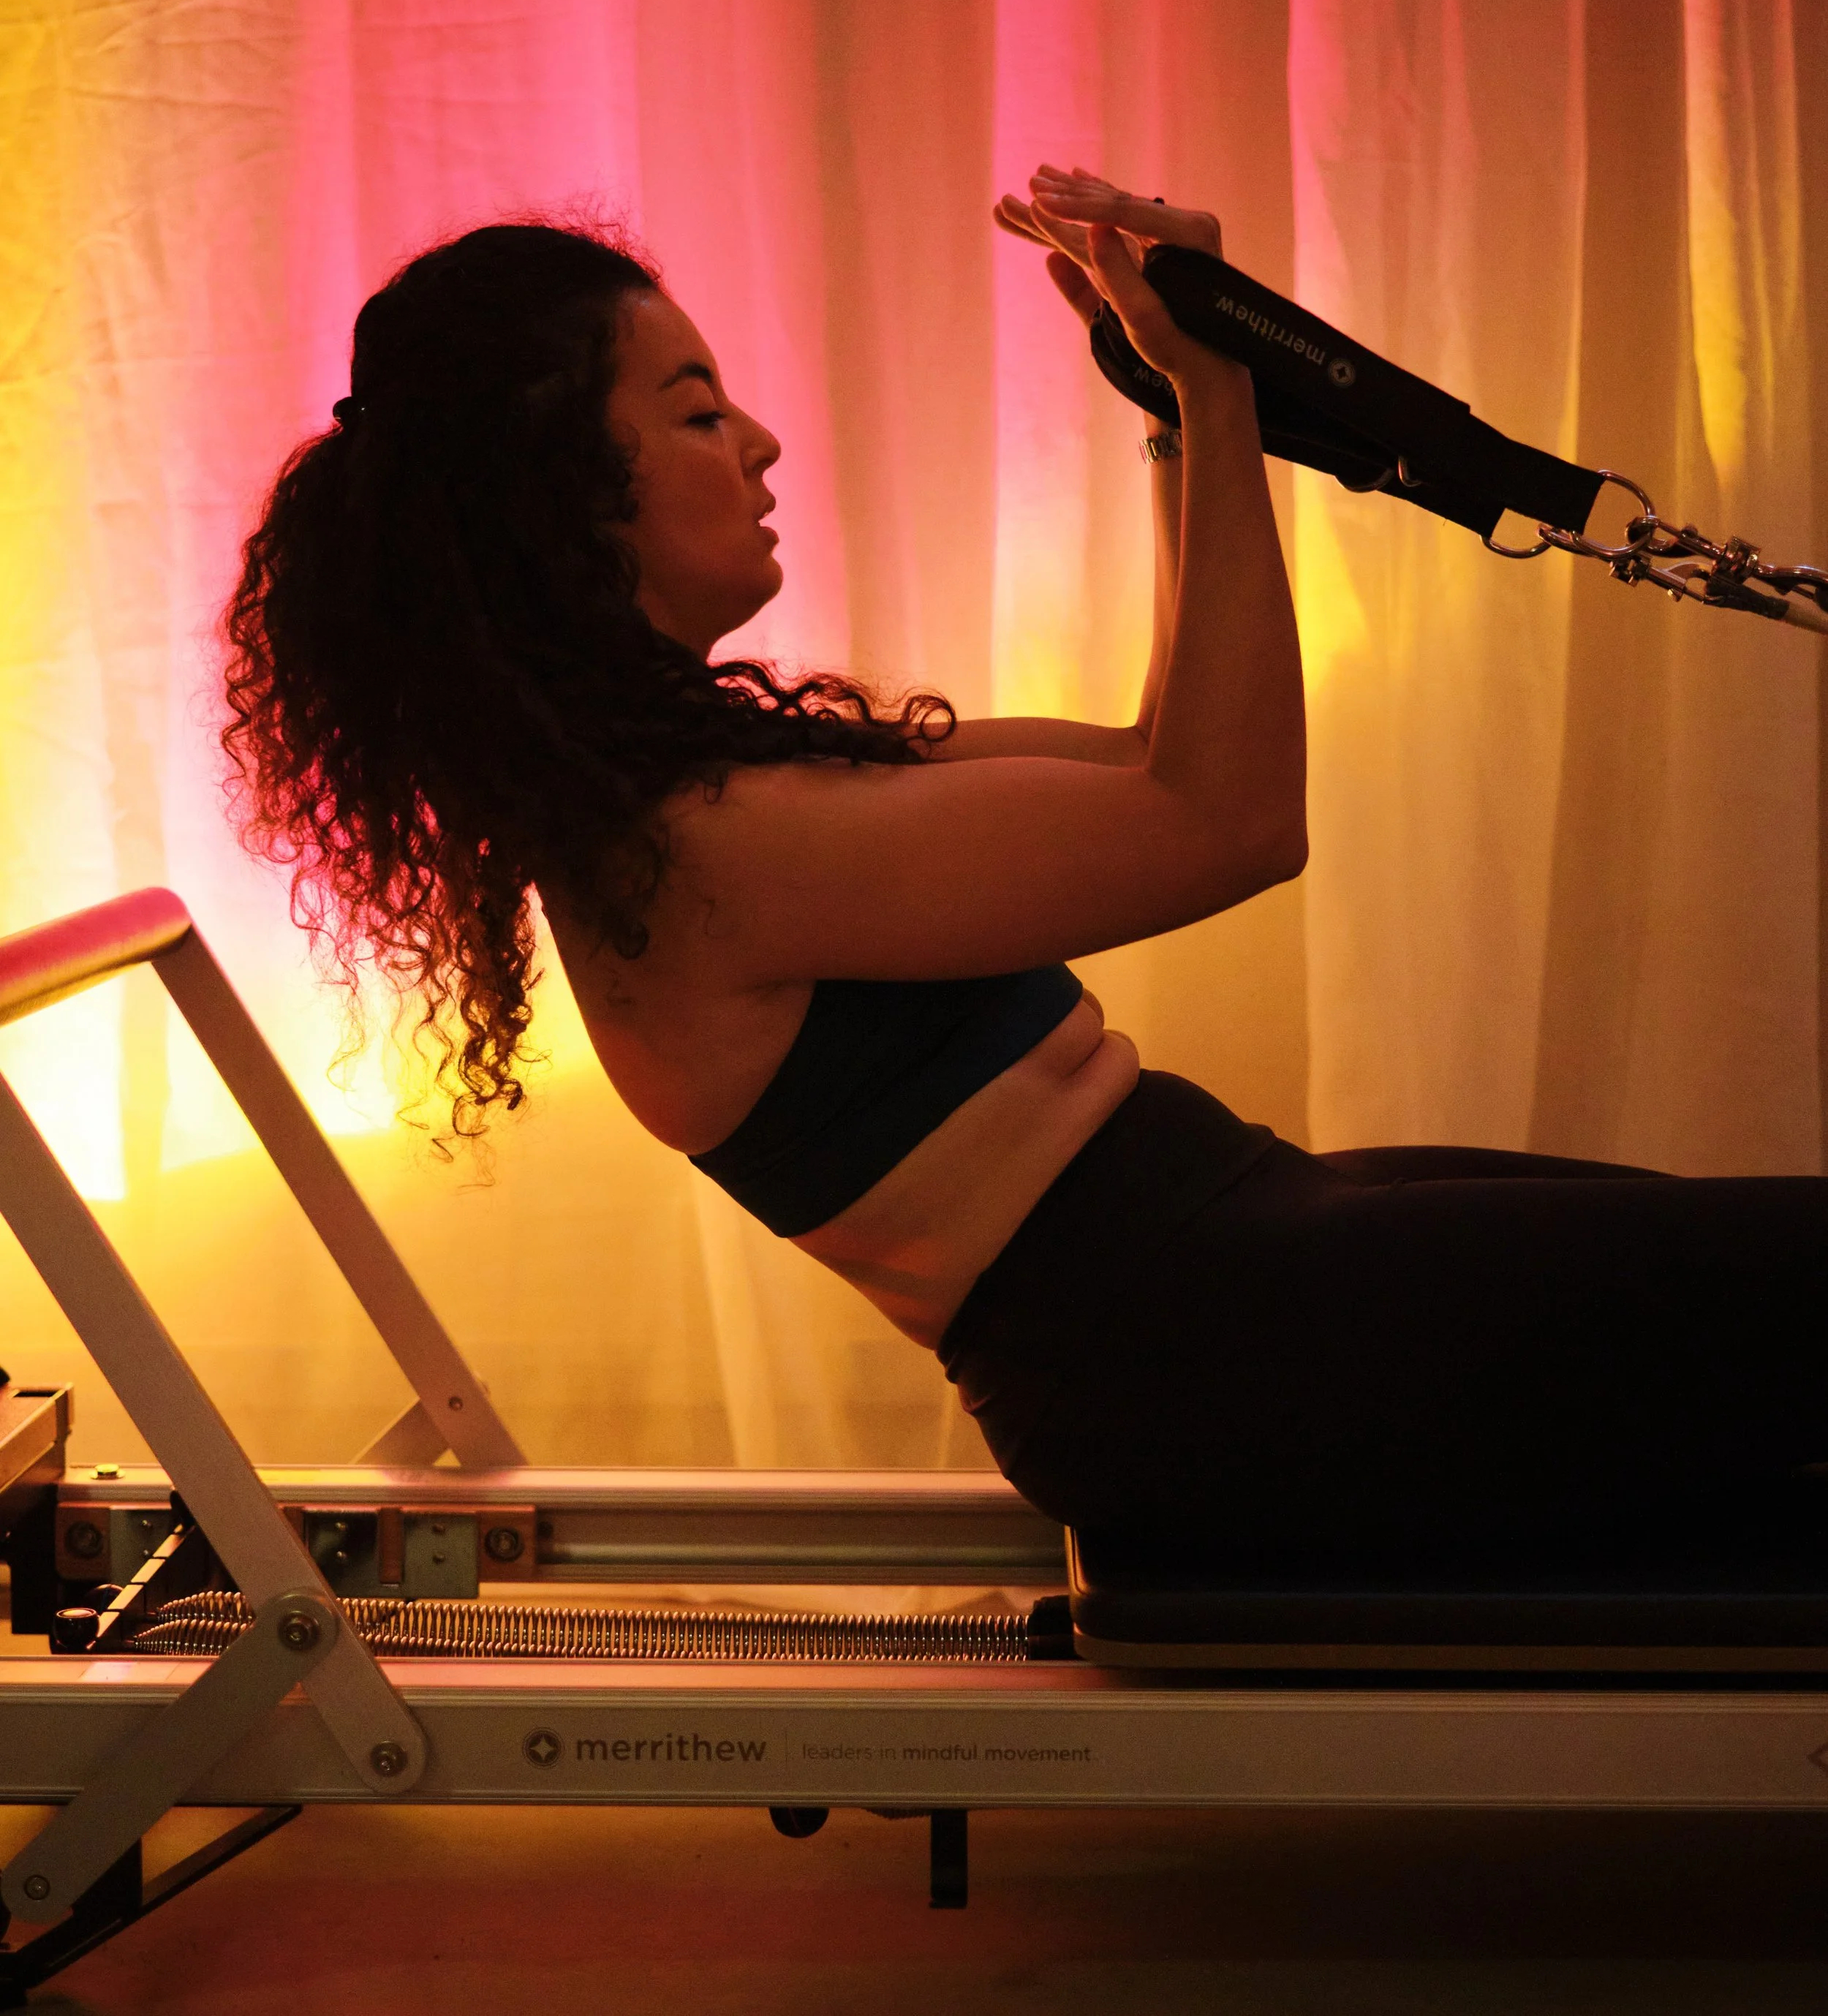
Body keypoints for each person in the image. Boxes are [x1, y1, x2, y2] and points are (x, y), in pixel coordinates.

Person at [225, 168, 1828, 1568]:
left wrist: (1162, 401)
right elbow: (1229, 819)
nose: (762, 441)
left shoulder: (717, 788)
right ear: (560, 500)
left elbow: (1152, 754)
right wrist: (1214, 397)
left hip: (1233, 1270)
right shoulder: (704, 853)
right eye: (698, 411)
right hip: (1203, 1360)